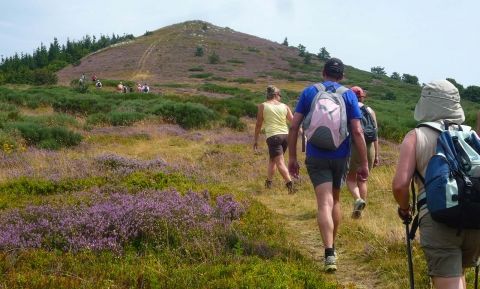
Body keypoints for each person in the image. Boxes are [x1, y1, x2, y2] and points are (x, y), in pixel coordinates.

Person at [392, 80, 480, 289]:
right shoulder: (471, 135)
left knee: (448, 279)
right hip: (475, 218)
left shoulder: (416, 136)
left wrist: (405, 209)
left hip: (438, 219)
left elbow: (400, 185)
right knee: (458, 276)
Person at [288, 58, 369, 272]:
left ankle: (329, 253)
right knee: (336, 200)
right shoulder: (349, 95)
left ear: (323, 72)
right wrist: (364, 163)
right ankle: (333, 247)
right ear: (341, 76)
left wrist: (292, 158)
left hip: (316, 154)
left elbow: (294, 126)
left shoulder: (309, 92)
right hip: (341, 155)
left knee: (324, 202)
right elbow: (358, 131)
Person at [254, 85, 295, 193]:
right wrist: (303, 133)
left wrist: (255, 140)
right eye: (280, 95)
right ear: (276, 95)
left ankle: (290, 184)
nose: (280, 97)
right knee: (273, 160)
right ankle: (268, 182)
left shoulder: (263, 106)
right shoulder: (285, 106)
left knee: (279, 162)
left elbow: (258, 124)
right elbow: (294, 122)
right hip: (285, 136)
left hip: (273, 136)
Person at [347, 86, 379, 219]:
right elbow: (376, 134)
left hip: (354, 146)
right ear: (362, 96)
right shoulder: (370, 111)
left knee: (350, 178)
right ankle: (360, 212)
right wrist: (376, 154)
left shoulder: (349, 110)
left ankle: (358, 199)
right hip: (369, 147)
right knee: (363, 179)